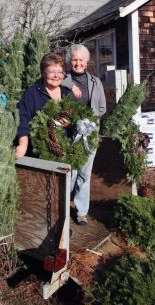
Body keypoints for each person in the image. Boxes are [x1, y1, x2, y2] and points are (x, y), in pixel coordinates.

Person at [62, 44, 106, 226]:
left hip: (89, 135)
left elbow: (102, 107)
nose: (77, 63)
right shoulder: (63, 80)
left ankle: (81, 212)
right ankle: (63, 207)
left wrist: (88, 122)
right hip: (68, 134)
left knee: (84, 174)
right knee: (68, 172)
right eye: (74, 59)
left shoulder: (96, 82)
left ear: (86, 62)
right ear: (69, 61)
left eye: (81, 60)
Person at [15, 53, 71, 159]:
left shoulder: (67, 93)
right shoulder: (32, 93)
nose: (56, 76)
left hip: (65, 150)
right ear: (43, 73)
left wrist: (70, 123)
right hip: (40, 152)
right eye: (52, 72)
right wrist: (23, 144)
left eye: (60, 72)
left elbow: (75, 117)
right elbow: (22, 118)